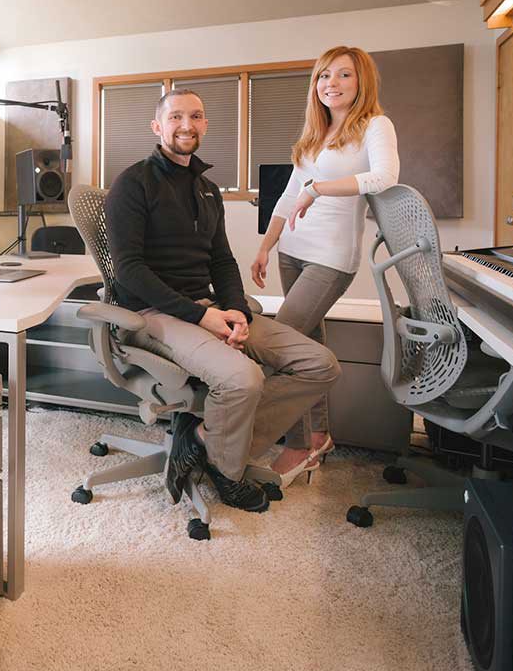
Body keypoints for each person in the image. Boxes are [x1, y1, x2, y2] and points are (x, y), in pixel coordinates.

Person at [105, 88, 340, 513]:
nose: (186, 126)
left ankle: (201, 440)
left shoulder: (208, 189)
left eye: (196, 117)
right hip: (152, 313)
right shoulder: (132, 183)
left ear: (205, 125)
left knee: (320, 364)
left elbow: (222, 260)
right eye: (176, 117)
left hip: (206, 305)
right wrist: (201, 316)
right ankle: (227, 472)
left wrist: (236, 310)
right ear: (157, 126)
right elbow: (129, 272)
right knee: (242, 379)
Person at [250, 45, 399, 486]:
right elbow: (285, 196)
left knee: (283, 347)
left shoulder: (375, 125)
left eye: (343, 75)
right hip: (292, 250)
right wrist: (266, 245)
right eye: (323, 76)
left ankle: (295, 445)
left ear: (362, 82)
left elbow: (385, 177)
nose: (330, 83)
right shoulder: (315, 134)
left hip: (331, 258)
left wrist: (319, 189)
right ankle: (318, 437)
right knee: (309, 346)